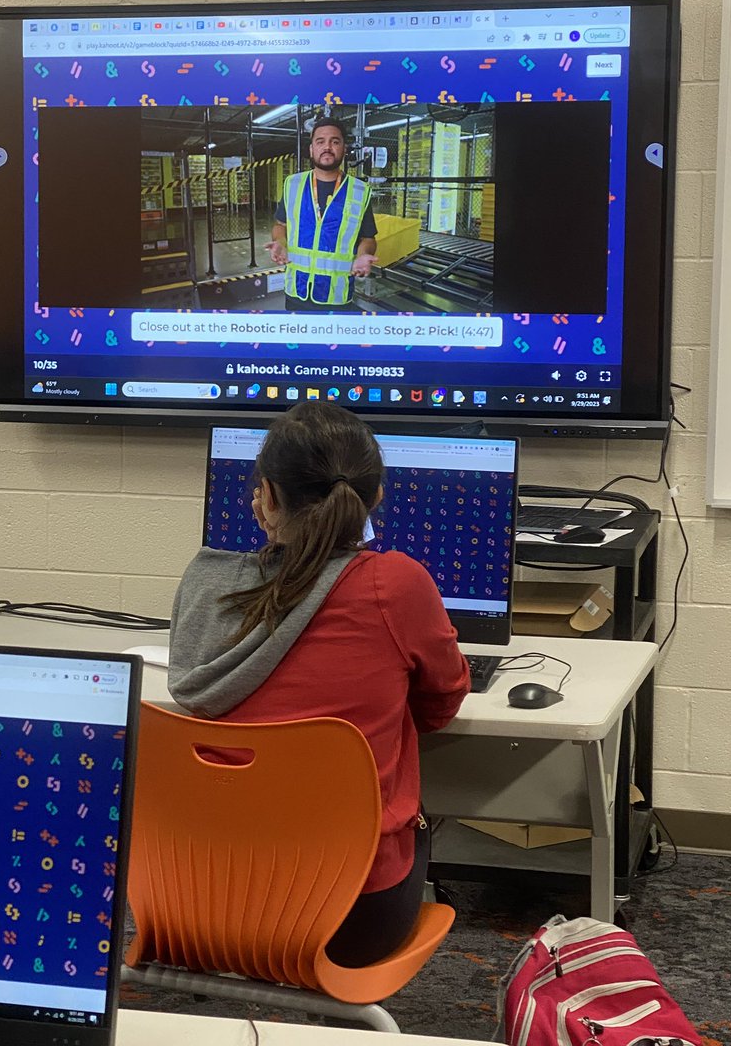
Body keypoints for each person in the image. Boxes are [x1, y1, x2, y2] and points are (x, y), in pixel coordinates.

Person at [167, 402, 470, 968]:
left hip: (197, 904)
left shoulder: (205, 586)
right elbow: (441, 706)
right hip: (346, 922)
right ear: (374, 498)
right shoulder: (396, 584)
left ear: (266, 498)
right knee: (419, 812)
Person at [265, 118, 378, 312]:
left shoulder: (360, 191)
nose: (327, 147)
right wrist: (281, 243)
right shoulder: (293, 184)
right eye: (320, 141)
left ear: (344, 148)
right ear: (311, 149)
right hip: (296, 291)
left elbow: (368, 238)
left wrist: (363, 255)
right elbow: (280, 225)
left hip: (337, 295)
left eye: (335, 142)